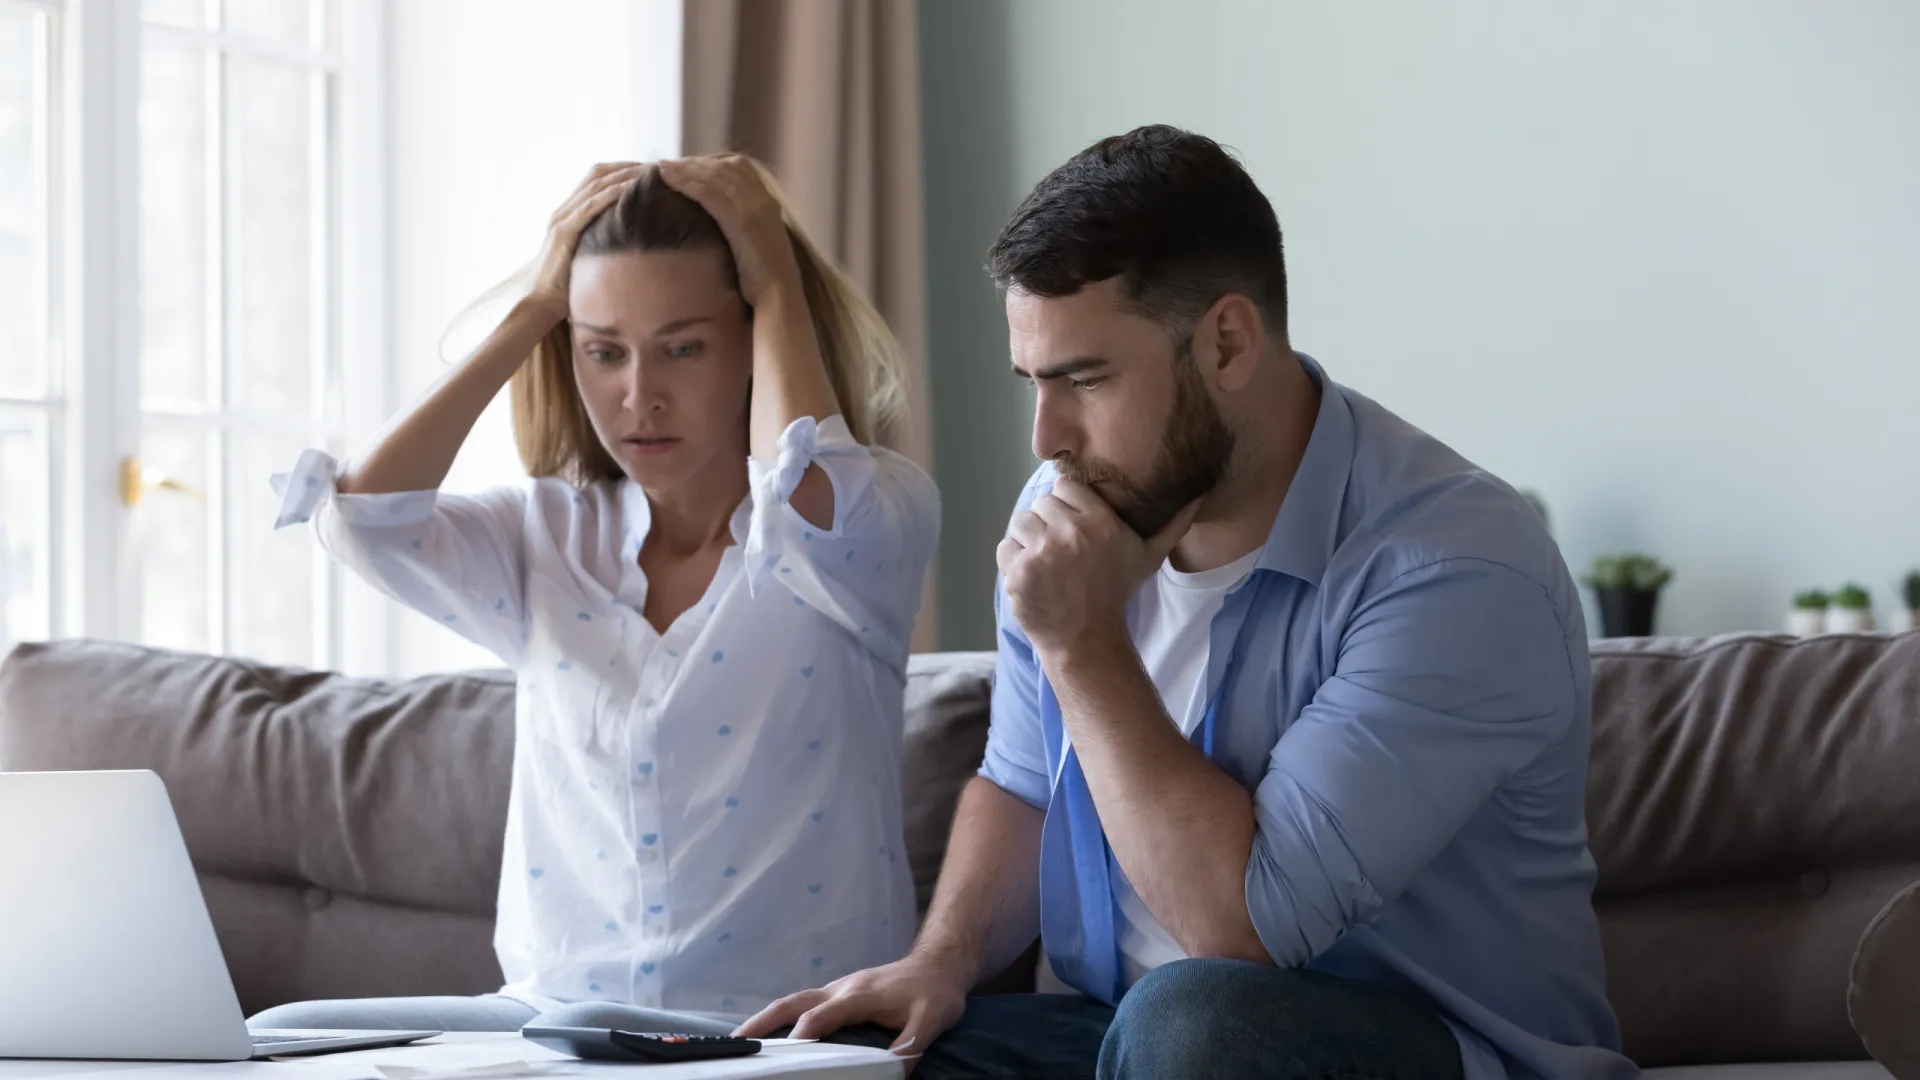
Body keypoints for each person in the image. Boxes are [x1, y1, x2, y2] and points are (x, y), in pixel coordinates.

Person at [739, 126, 1639, 1080]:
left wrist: (1082, 645)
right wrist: (937, 965)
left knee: (1201, 1024)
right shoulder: (1071, 508)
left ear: (1227, 342)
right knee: (854, 1057)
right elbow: (1022, 787)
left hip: (1419, 1049)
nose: (1047, 438)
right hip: (1119, 1035)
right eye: (1033, 384)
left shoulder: (1454, 567)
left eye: (1084, 379)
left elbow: (1241, 927)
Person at [256, 156, 939, 1034]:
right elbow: (361, 520)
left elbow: (805, 489)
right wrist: (537, 307)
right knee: (279, 1039)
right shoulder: (543, 536)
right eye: (602, 351)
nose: (638, 396)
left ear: (756, 340)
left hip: (787, 1037)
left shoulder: (874, 520)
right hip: (553, 1029)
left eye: (682, 347)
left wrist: (774, 273)